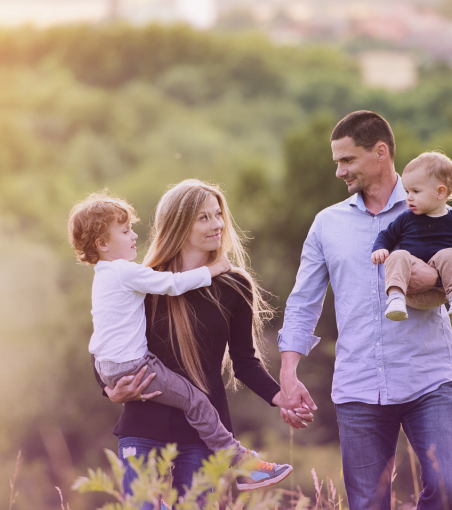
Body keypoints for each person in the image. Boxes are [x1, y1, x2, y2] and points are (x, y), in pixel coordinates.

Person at [277, 111, 452, 510]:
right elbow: (303, 301)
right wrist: (289, 372)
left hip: (428, 378)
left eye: (347, 160)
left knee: (447, 486)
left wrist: (439, 282)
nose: (339, 171)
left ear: (381, 153)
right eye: (337, 162)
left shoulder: (439, 211)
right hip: (358, 385)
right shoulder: (327, 224)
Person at [69, 189, 291, 491]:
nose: (217, 224)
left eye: (218, 215)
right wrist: (111, 391)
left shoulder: (234, 286)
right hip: (144, 427)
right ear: (180, 224)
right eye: (204, 217)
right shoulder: (146, 281)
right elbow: (106, 342)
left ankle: (240, 462)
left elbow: (245, 362)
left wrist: (281, 397)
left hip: (200, 436)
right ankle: (240, 461)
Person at [371, 151, 452, 322]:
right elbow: (386, 236)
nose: (408, 198)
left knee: (449, 253)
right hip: (410, 290)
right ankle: (395, 298)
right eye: (406, 191)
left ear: (440, 192)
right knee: (398, 255)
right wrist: (380, 248)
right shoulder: (406, 218)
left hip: (443, 294)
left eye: (416, 191)